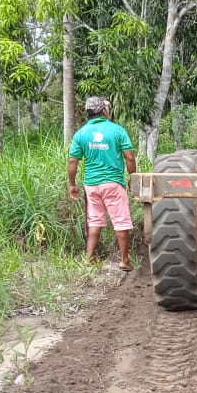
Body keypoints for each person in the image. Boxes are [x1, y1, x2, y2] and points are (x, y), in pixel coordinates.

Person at [67, 96, 137, 270]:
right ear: (104, 111)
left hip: (91, 185)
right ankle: (124, 261)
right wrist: (132, 178)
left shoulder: (81, 133)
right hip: (113, 183)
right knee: (120, 221)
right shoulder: (117, 130)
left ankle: (89, 258)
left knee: (95, 221)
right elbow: (129, 156)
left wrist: (72, 184)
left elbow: (72, 162)